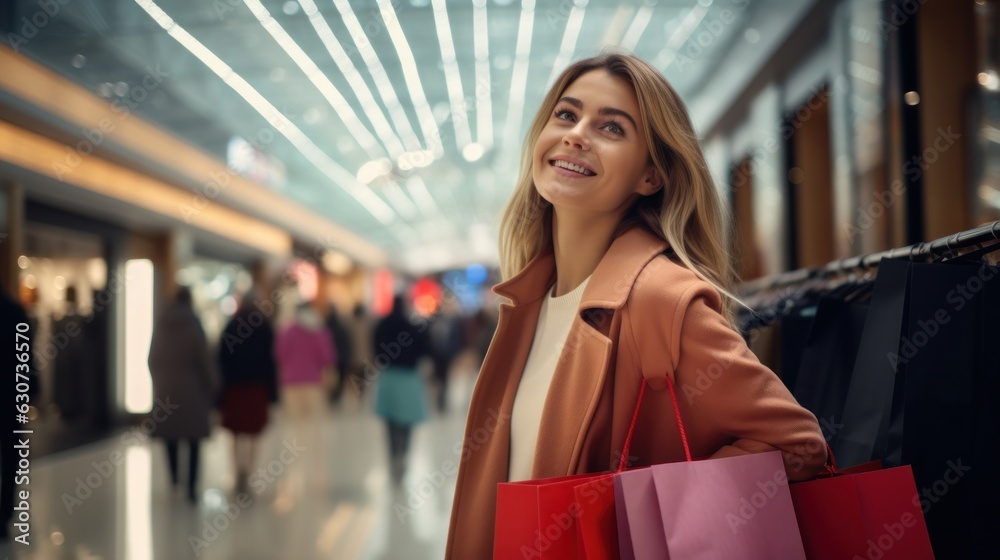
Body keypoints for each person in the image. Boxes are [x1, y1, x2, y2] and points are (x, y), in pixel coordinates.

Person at [444, 53, 827, 558]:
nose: (577, 134)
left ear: (650, 176)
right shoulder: (529, 301)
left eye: (611, 128)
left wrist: (647, 518)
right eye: (566, 114)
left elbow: (797, 443)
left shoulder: (662, 301)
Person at [147, 287, 217, 503]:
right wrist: (213, 387)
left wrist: (160, 381)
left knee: (171, 436)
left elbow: (151, 358)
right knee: (194, 440)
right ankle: (191, 488)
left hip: (166, 390)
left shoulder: (161, 323)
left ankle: (174, 478)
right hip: (193, 393)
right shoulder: (194, 324)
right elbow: (204, 361)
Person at [217, 289, 278, 493]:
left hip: (234, 387)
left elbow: (221, 359)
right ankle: (249, 470)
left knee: (235, 432)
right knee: (253, 432)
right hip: (256, 388)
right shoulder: (265, 327)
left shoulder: (231, 326)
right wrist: (272, 392)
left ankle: (237, 470)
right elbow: (271, 362)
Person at [372, 295, 431, 482]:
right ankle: (403, 455)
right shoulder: (413, 326)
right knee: (407, 423)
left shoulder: (382, 325)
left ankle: (392, 456)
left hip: (389, 376)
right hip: (409, 379)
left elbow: (376, 350)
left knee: (390, 422)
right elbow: (425, 350)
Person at [324, 304, 353, 404]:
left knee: (329, 379)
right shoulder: (341, 328)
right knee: (339, 379)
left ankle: (331, 396)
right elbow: (346, 344)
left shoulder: (324, 329)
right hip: (341, 358)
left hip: (328, 359)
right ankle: (336, 396)